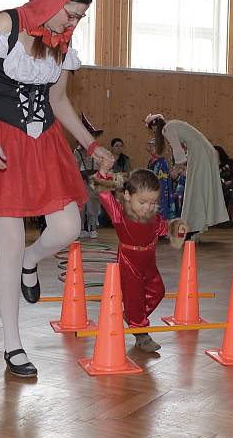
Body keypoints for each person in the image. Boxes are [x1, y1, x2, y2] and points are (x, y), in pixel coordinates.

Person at [0, 0, 113, 378]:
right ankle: (13, 345)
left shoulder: (62, 41)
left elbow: (58, 101)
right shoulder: (8, 23)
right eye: (69, 14)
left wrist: (92, 145)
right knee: (9, 240)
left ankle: (31, 262)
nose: (71, 24)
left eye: (78, 18)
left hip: (44, 145)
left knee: (68, 227)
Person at [92, 164, 187, 352]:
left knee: (158, 291)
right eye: (142, 203)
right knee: (134, 298)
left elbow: (163, 227)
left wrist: (176, 228)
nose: (148, 207)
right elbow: (103, 194)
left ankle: (133, 316)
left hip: (149, 262)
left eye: (153, 203)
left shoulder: (153, 215)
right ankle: (141, 334)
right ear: (128, 195)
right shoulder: (119, 213)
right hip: (129, 262)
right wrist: (102, 175)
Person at [144, 114, 228, 241]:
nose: (155, 133)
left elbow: (178, 151)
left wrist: (175, 170)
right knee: (197, 192)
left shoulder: (167, 128)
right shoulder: (173, 124)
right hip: (203, 153)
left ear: (155, 126)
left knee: (195, 192)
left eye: (153, 130)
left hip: (200, 154)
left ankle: (194, 228)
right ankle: (195, 227)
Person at [74, 125, 104, 238]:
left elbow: (101, 165)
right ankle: (81, 227)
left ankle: (92, 227)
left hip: (94, 181)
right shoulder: (77, 152)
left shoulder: (97, 151)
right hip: (81, 182)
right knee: (81, 205)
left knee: (93, 204)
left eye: (93, 136)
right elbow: (74, 168)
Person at [146, 137, 174, 220]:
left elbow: (164, 180)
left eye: (153, 146)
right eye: (150, 146)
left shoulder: (162, 162)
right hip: (153, 189)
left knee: (162, 209)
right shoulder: (152, 161)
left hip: (161, 190)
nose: (150, 148)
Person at [214, 145, 233, 211]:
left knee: (227, 192)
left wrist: (231, 181)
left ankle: (226, 214)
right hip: (218, 187)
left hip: (231, 185)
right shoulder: (212, 165)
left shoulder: (230, 163)